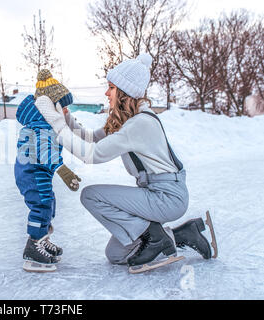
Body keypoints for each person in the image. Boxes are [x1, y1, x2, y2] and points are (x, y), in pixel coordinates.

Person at [35, 53, 213, 270]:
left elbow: (92, 154)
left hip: (167, 196)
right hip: (156, 193)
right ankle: (182, 234)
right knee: (117, 254)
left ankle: (155, 238)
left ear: (124, 92)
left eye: (111, 87)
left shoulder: (140, 124)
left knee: (91, 195)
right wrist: (65, 117)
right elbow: (91, 138)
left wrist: (57, 125)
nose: (106, 93)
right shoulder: (129, 121)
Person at [14, 69, 82, 272]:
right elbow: (45, 153)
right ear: (53, 106)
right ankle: (33, 247)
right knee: (42, 205)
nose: (66, 111)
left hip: (36, 171)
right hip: (33, 172)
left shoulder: (41, 119)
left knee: (48, 203)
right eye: (64, 106)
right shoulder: (42, 124)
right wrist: (63, 170)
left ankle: (42, 239)